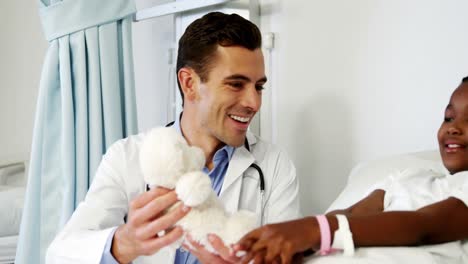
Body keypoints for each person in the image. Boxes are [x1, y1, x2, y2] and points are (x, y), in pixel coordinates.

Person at [45, 12, 301, 264]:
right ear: (189, 83)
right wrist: (124, 243)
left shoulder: (274, 165)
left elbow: (287, 257)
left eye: (259, 87)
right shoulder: (126, 157)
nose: (254, 103)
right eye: (236, 84)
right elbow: (60, 253)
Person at [235, 77, 468, 264]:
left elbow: (422, 226)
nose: (454, 128)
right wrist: (291, 245)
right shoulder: (411, 177)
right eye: (448, 118)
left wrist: (316, 230)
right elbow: (353, 212)